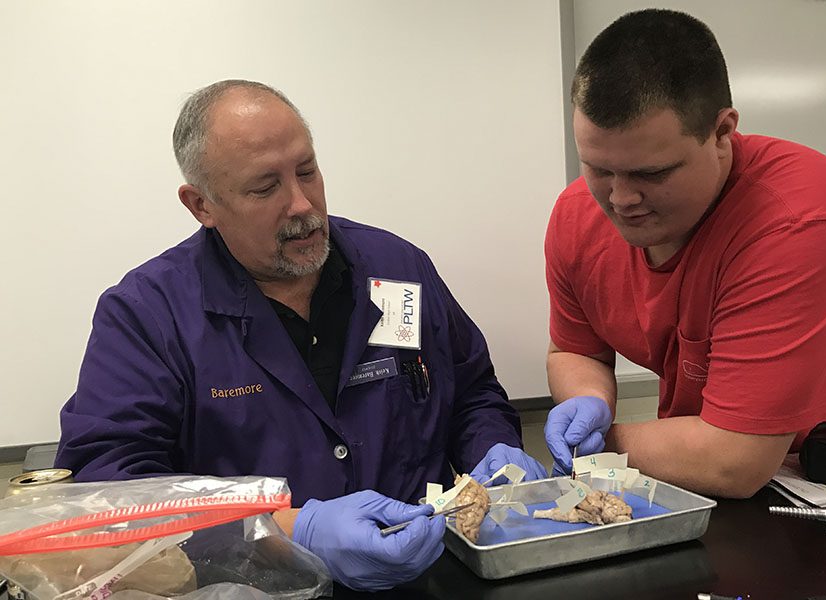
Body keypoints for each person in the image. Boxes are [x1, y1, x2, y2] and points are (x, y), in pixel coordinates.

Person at [55, 79, 546, 591]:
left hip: (426, 577)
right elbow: (109, 490)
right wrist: (285, 531)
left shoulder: (397, 270)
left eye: (307, 171)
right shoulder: (147, 315)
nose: (301, 204)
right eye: (265, 188)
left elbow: (471, 394)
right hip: (254, 587)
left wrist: (491, 451)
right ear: (201, 205)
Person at [542, 9, 826, 499]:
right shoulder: (579, 216)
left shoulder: (802, 222)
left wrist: (591, 448)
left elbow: (733, 461)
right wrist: (588, 403)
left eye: (652, 173)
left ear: (723, 133)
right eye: (599, 168)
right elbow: (575, 349)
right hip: (696, 470)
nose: (620, 199)